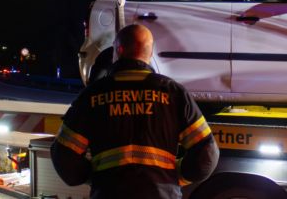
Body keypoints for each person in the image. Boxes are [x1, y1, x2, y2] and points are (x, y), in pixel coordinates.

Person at [51, 24, 219, 198]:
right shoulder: (173, 93)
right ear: (150, 53)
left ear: (118, 50)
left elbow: (64, 157)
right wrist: (176, 176)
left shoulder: (92, 95)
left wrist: (94, 178)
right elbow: (207, 155)